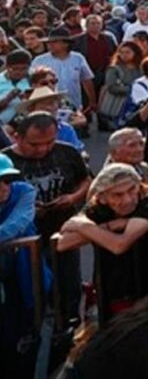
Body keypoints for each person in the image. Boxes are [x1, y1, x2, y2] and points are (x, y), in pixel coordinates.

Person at [4, 111, 90, 320]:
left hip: (63, 232)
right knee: (30, 290)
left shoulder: (67, 152)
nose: (42, 149)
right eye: (34, 145)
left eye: (49, 142)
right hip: (21, 240)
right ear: (17, 137)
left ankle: (68, 328)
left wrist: (72, 198)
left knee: (68, 286)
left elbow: (86, 180)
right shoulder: (5, 161)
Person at [56, 163, 148, 321]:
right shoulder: (98, 209)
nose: (128, 199)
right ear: (102, 198)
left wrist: (87, 227)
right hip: (112, 290)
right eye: (117, 195)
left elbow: (119, 245)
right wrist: (109, 226)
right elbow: (63, 242)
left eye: (132, 190)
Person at [0, 158, 45, 378]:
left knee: (22, 336)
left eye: (7, 180)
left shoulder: (24, 192)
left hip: (25, 277)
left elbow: (16, 225)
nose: (4, 187)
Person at [106, 127, 148, 216]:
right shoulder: (108, 177)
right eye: (132, 145)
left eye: (141, 144)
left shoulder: (145, 169)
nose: (139, 149)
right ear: (115, 152)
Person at [32, 26, 97, 117]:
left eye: (54, 42)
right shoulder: (39, 60)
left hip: (74, 106)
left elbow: (86, 80)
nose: (50, 45)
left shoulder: (78, 58)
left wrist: (92, 101)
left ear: (66, 44)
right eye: (48, 42)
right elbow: (31, 83)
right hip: (48, 107)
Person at [98, 41, 144, 131]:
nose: (124, 55)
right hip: (117, 107)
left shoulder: (140, 69)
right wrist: (132, 90)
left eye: (128, 52)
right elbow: (112, 87)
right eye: (122, 52)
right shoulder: (114, 69)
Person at [0, 50, 32, 125]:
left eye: (24, 69)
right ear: (7, 67)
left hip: (26, 125)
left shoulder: (34, 79)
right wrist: (8, 98)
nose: (19, 72)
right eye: (15, 69)